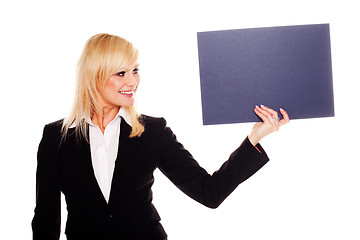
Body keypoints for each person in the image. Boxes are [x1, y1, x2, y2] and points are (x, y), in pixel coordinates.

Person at [32, 33, 290, 240]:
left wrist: (254, 139)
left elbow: (209, 192)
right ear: (94, 77)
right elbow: (46, 220)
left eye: (135, 70)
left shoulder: (153, 132)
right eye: (121, 73)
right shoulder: (56, 137)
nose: (133, 81)